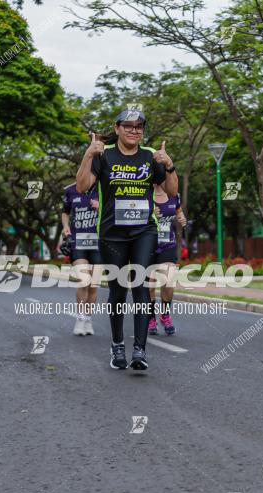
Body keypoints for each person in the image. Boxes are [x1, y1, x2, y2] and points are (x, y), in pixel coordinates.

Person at [75, 108, 178, 370]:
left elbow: (172, 190)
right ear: (118, 128)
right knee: (119, 290)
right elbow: (82, 186)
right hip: (112, 234)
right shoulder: (104, 155)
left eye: (139, 126)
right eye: (129, 125)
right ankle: (118, 345)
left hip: (144, 230)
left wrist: (169, 165)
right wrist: (89, 154)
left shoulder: (149, 155)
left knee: (141, 287)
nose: (134, 130)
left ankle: (140, 351)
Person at [61, 183, 101, 336]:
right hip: (78, 242)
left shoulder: (103, 188)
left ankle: (88, 318)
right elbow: (65, 212)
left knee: (93, 286)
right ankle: (80, 318)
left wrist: (101, 208)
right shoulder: (70, 190)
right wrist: (66, 226)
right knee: (83, 280)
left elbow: (114, 213)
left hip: (98, 243)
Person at [148, 185, 186, 335]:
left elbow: (179, 212)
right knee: (149, 286)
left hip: (167, 245)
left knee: (169, 281)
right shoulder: (145, 193)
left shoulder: (174, 195)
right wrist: (149, 214)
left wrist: (182, 218)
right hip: (147, 245)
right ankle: (151, 318)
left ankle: (165, 315)